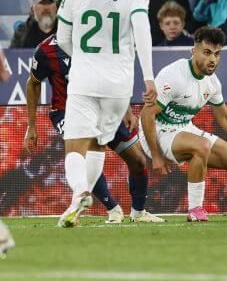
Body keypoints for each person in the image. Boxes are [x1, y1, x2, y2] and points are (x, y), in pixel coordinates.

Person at [54, 0, 156, 228]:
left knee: (75, 146)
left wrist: (84, 58)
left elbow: (62, 38)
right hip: (118, 85)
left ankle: (80, 192)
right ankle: (77, 206)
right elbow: (142, 33)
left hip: (84, 79)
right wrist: (148, 77)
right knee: (99, 144)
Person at [25, 33, 164, 224]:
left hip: (105, 107)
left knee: (138, 161)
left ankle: (138, 213)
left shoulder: (100, 40)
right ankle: (112, 209)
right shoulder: (46, 50)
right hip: (68, 112)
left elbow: (114, 76)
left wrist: (126, 108)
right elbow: (33, 83)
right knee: (88, 154)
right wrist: (31, 126)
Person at [141, 26, 227, 222]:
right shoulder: (173, 75)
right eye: (207, 52)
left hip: (183, 128)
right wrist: (156, 156)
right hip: (157, 131)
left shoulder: (212, 83)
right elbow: (146, 114)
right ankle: (195, 210)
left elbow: (224, 117)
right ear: (194, 51)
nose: (212, 59)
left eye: (217, 54)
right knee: (202, 146)